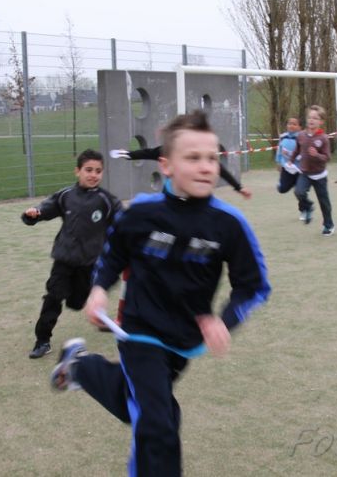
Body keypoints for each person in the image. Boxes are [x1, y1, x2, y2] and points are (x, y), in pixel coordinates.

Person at [50, 111, 271, 476]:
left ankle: (79, 367)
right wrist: (99, 289)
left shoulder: (229, 224)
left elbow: (254, 285)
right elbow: (114, 254)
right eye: (193, 157)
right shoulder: (141, 213)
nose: (206, 167)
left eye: (212, 157)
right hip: (139, 329)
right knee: (158, 422)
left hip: (184, 340)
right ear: (166, 165)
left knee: (137, 404)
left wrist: (225, 320)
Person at [21, 149, 122, 359]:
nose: (93, 175)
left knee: (77, 303)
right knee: (53, 297)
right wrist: (34, 214)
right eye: (88, 170)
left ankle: (98, 316)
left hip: (90, 263)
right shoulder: (66, 196)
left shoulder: (106, 200)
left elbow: (125, 222)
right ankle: (42, 340)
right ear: (78, 171)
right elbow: (45, 209)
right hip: (64, 259)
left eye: (98, 171)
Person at [111, 143, 252, 199]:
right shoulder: (169, 149)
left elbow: (220, 169)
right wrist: (129, 154)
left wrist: (238, 187)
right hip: (171, 195)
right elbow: (148, 153)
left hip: (194, 197)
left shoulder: (201, 155)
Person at [290, 105, 336, 235]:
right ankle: (308, 206)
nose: (311, 120)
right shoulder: (301, 135)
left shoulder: (323, 138)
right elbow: (297, 150)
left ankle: (328, 225)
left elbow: (327, 157)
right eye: (310, 117)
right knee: (299, 192)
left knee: (324, 202)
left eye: (315, 118)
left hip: (319, 175)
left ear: (321, 122)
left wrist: (317, 155)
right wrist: (291, 160)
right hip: (305, 173)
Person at [275, 115, 310, 219]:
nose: (291, 126)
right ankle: (289, 184)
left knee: (299, 192)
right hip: (286, 168)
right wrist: (279, 162)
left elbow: (305, 153)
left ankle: (304, 210)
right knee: (282, 189)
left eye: (294, 124)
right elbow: (279, 151)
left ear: (300, 127)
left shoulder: (303, 137)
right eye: (289, 123)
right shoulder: (283, 137)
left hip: (299, 169)